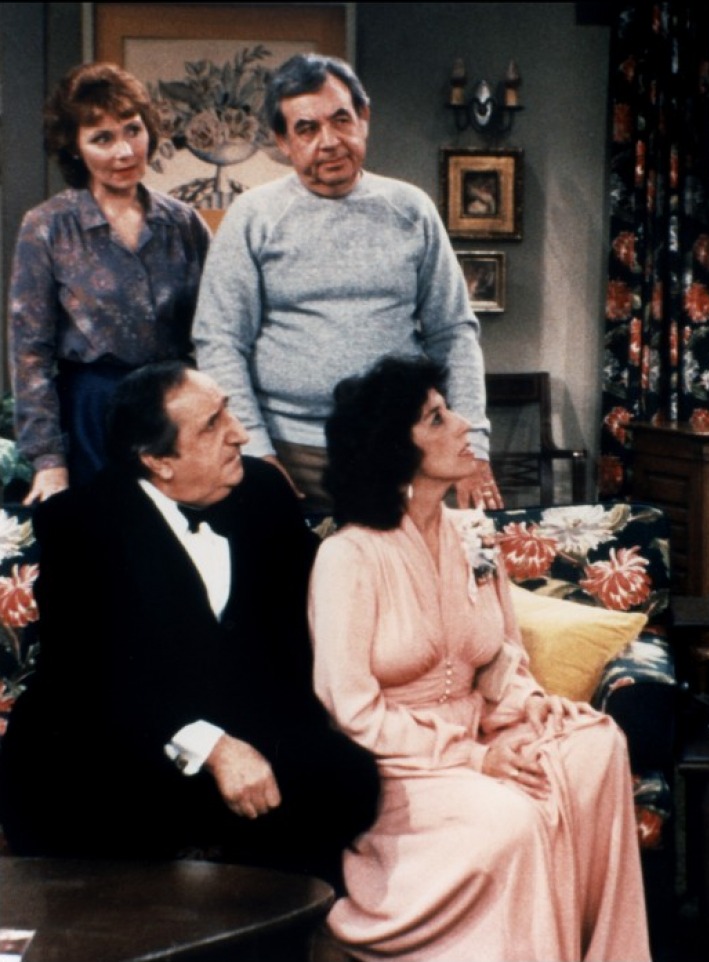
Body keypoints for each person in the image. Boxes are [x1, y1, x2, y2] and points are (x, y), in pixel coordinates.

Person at [308, 355, 649, 961]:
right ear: (395, 449)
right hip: (400, 765)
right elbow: (352, 710)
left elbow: (501, 657)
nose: (464, 424)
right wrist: (475, 758)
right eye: (437, 418)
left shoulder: (472, 535)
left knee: (597, 744)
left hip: (483, 731)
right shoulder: (347, 557)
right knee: (512, 820)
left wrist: (533, 704)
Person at [0, 361, 379, 891]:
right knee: (92, 803)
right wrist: (215, 748)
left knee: (347, 778)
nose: (239, 434)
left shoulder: (264, 492)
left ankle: (275, 919)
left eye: (228, 411)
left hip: (243, 723)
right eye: (212, 425)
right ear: (158, 460)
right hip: (115, 741)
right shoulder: (81, 522)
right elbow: (91, 678)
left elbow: (307, 626)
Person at [192, 52, 501, 512]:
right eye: (307, 129)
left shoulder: (411, 209)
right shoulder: (252, 217)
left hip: (401, 449)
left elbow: (453, 333)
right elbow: (220, 341)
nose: (330, 141)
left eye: (341, 120)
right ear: (282, 140)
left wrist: (472, 442)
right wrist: (256, 451)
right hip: (289, 450)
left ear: (364, 118)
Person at [8, 62, 210, 503]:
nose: (124, 151)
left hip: (174, 406)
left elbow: (218, 330)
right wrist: (48, 460)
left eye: (133, 130)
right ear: (74, 147)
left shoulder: (183, 223)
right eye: (102, 138)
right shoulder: (48, 226)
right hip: (93, 410)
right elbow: (29, 353)